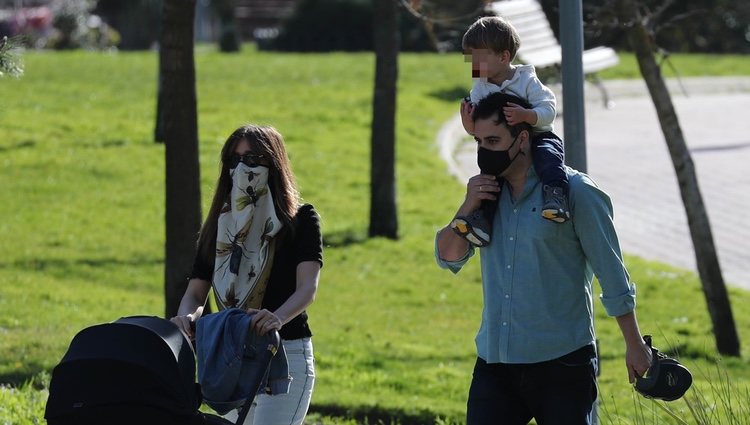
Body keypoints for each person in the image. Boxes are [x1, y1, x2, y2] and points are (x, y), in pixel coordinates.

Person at [435, 92, 652, 425]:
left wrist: (634, 344)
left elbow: (612, 272)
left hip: (562, 364)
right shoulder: (485, 199)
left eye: (493, 140)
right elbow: (448, 257)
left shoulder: (576, 192)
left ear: (522, 139)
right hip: (496, 363)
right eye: (478, 141)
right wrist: (467, 207)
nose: (484, 151)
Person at [171, 124, 322, 425]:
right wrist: (187, 317)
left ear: (273, 164)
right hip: (230, 354)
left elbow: (307, 288)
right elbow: (195, 293)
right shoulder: (219, 226)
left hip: (283, 353)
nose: (242, 167)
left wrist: (276, 317)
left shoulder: (301, 220)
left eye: (252, 159)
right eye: (234, 159)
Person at [452, 16, 569, 248]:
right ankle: (482, 220)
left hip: (538, 136)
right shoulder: (480, 89)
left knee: (549, 159)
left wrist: (527, 115)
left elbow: (549, 109)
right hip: (502, 145)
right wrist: (469, 125)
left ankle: (556, 197)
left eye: (478, 61)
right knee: (489, 176)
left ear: (504, 57)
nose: (474, 68)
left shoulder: (526, 80)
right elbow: (480, 127)